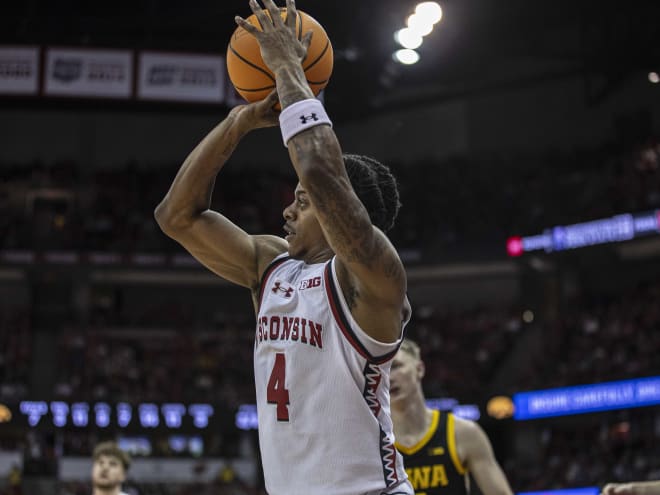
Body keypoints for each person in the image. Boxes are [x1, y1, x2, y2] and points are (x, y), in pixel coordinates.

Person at [154, 0, 413, 493]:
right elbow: (176, 216)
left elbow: (318, 171)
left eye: (302, 202)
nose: (287, 211)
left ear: (343, 208)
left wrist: (288, 66)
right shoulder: (273, 267)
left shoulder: (374, 278)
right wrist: (238, 123)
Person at [390, 339, 513, 495]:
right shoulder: (374, 443)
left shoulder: (463, 433)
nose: (389, 378)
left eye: (395, 367)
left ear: (419, 369)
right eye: (383, 371)